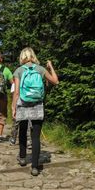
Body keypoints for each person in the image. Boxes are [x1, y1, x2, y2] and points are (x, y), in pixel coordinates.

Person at [12, 47, 59, 176]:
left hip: (22, 103)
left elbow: (16, 92)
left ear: (22, 57)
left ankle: (22, 158)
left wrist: (13, 107)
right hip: (37, 104)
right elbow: (56, 81)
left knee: (22, 130)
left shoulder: (19, 70)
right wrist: (50, 66)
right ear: (33, 55)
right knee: (35, 136)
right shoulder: (40, 69)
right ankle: (34, 167)